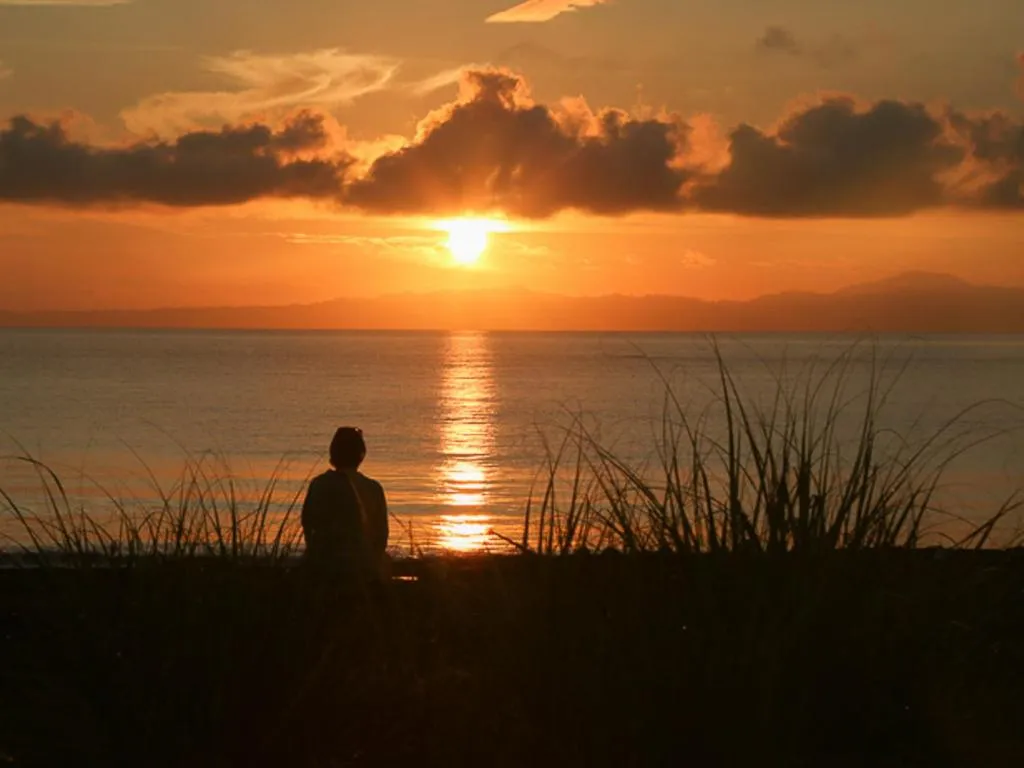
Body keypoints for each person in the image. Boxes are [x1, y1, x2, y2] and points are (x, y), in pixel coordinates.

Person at [301, 427, 389, 578]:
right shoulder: (373, 488)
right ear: (361, 455)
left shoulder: (319, 484)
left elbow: (308, 525)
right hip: (364, 573)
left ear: (333, 453)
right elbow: (381, 536)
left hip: (326, 570)